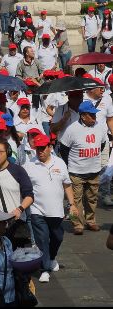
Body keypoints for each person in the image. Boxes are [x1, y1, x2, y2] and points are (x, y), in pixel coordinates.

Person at [23, 133, 78, 283]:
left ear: (50, 147)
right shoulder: (29, 165)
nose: (40, 151)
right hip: (36, 210)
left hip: (56, 211)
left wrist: (72, 204)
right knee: (41, 240)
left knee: (57, 237)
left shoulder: (60, 163)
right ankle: (44, 269)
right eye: (37, 148)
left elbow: (67, 184)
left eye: (42, 148)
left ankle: (52, 258)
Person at [62, 100, 106, 235]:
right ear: (83, 116)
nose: (94, 118)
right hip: (76, 172)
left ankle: (91, 221)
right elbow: (64, 149)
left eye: (95, 115)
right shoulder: (72, 129)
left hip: (94, 171)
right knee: (74, 201)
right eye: (91, 115)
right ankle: (77, 224)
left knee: (92, 199)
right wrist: (72, 165)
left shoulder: (100, 127)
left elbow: (102, 144)